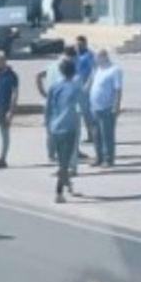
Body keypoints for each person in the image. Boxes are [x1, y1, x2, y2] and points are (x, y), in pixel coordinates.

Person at [46, 59, 82, 204]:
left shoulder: (54, 87)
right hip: (68, 127)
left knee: (62, 159)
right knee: (64, 162)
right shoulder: (74, 88)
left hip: (55, 127)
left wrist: (48, 125)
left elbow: (48, 108)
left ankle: (67, 184)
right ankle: (59, 191)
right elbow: (80, 103)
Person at [36, 46, 76, 163]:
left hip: (50, 100)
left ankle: (51, 154)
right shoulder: (64, 67)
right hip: (60, 103)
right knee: (64, 130)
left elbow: (38, 76)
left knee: (50, 130)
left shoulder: (52, 65)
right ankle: (63, 154)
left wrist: (43, 92)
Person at [89, 49, 124, 167]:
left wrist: (116, 106)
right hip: (94, 107)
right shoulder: (97, 70)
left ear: (104, 57)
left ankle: (108, 159)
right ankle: (99, 157)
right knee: (96, 134)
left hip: (107, 107)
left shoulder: (115, 70)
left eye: (97, 57)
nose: (95, 60)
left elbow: (118, 89)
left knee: (107, 134)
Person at [75, 35, 97, 145]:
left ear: (85, 44)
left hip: (86, 88)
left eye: (80, 44)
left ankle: (92, 135)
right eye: (77, 44)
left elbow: (94, 71)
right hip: (76, 87)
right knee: (78, 113)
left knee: (87, 113)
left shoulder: (89, 55)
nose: (78, 46)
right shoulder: (75, 55)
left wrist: (89, 84)